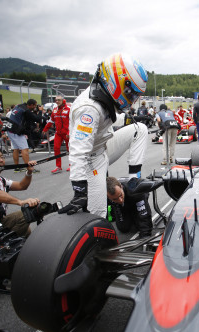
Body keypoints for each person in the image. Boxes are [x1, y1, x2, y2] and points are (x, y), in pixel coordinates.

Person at [58, 53, 149, 218]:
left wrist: (125, 119)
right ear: (117, 83)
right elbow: (79, 151)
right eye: (131, 93)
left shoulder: (103, 94)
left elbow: (105, 118)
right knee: (98, 214)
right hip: (92, 160)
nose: (133, 99)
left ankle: (134, 182)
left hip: (103, 146)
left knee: (140, 129)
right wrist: (80, 190)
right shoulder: (89, 108)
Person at [0, 145, 39, 237]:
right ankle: (1, 245)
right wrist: (20, 202)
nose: (1, 160)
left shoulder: (0, 179)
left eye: (2, 157)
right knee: (25, 215)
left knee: (26, 230)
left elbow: (21, 186)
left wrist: (29, 172)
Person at [7, 99, 43, 172]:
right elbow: (37, 119)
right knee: (25, 149)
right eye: (35, 106)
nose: (35, 107)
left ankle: (17, 167)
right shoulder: (26, 110)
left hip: (9, 129)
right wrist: (40, 111)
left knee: (16, 149)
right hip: (16, 131)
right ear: (31, 105)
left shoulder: (20, 106)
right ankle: (29, 168)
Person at [43, 96, 70, 173]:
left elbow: (72, 122)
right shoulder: (55, 110)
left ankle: (72, 165)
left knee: (70, 149)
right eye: (56, 100)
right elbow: (51, 120)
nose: (57, 101)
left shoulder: (68, 109)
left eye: (59, 100)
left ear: (63, 100)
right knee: (56, 148)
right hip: (58, 133)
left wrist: (69, 132)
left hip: (67, 133)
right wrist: (45, 129)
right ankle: (58, 167)